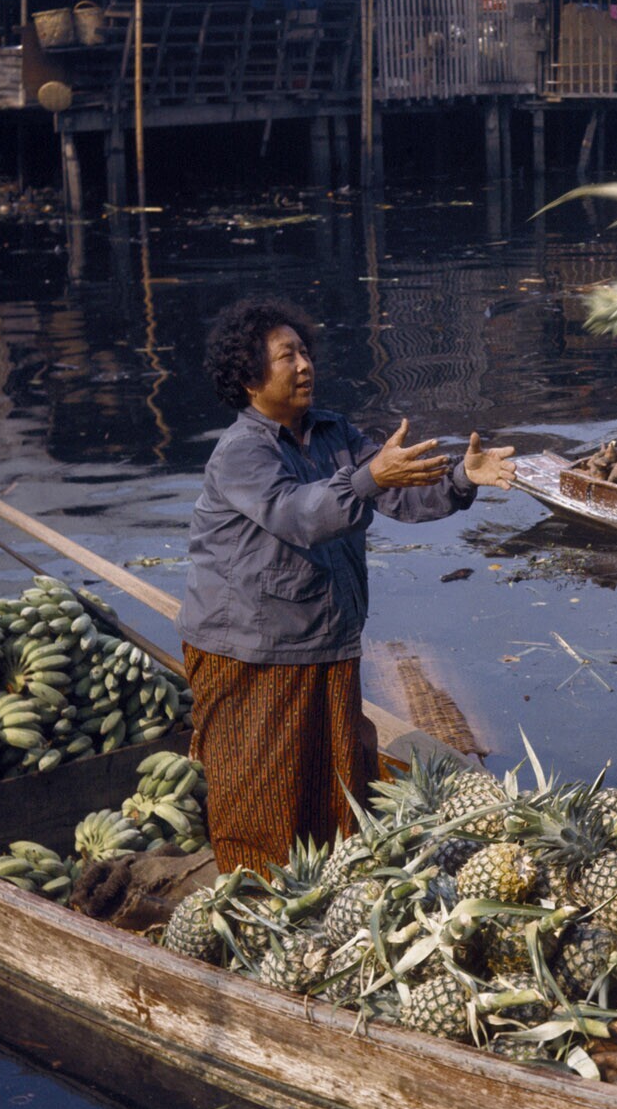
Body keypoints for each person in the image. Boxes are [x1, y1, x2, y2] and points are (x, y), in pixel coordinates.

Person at [178, 297, 515, 874]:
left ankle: (326, 885)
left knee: (333, 784)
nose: (304, 365)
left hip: (325, 635)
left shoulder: (334, 433)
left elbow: (401, 494)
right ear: (250, 378)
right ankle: (253, 892)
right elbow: (298, 515)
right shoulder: (242, 453)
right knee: (259, 788)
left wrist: (462, 476)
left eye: (304, 352)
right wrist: (368, 478)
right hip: (251, 650)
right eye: (287, 357)